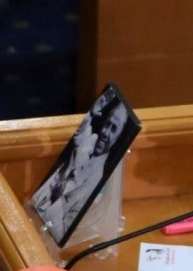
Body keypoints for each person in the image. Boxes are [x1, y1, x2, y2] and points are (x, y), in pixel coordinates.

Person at [33, 101, 127, 242]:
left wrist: (58, 198)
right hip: (35, 203)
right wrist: (91, 114)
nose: (105, 133)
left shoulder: (97, 179)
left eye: (113, 129)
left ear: (117, 139)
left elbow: (61, 232)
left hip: (46, 229)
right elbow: (80, 133)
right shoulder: (91, 139)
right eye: (107, 124)